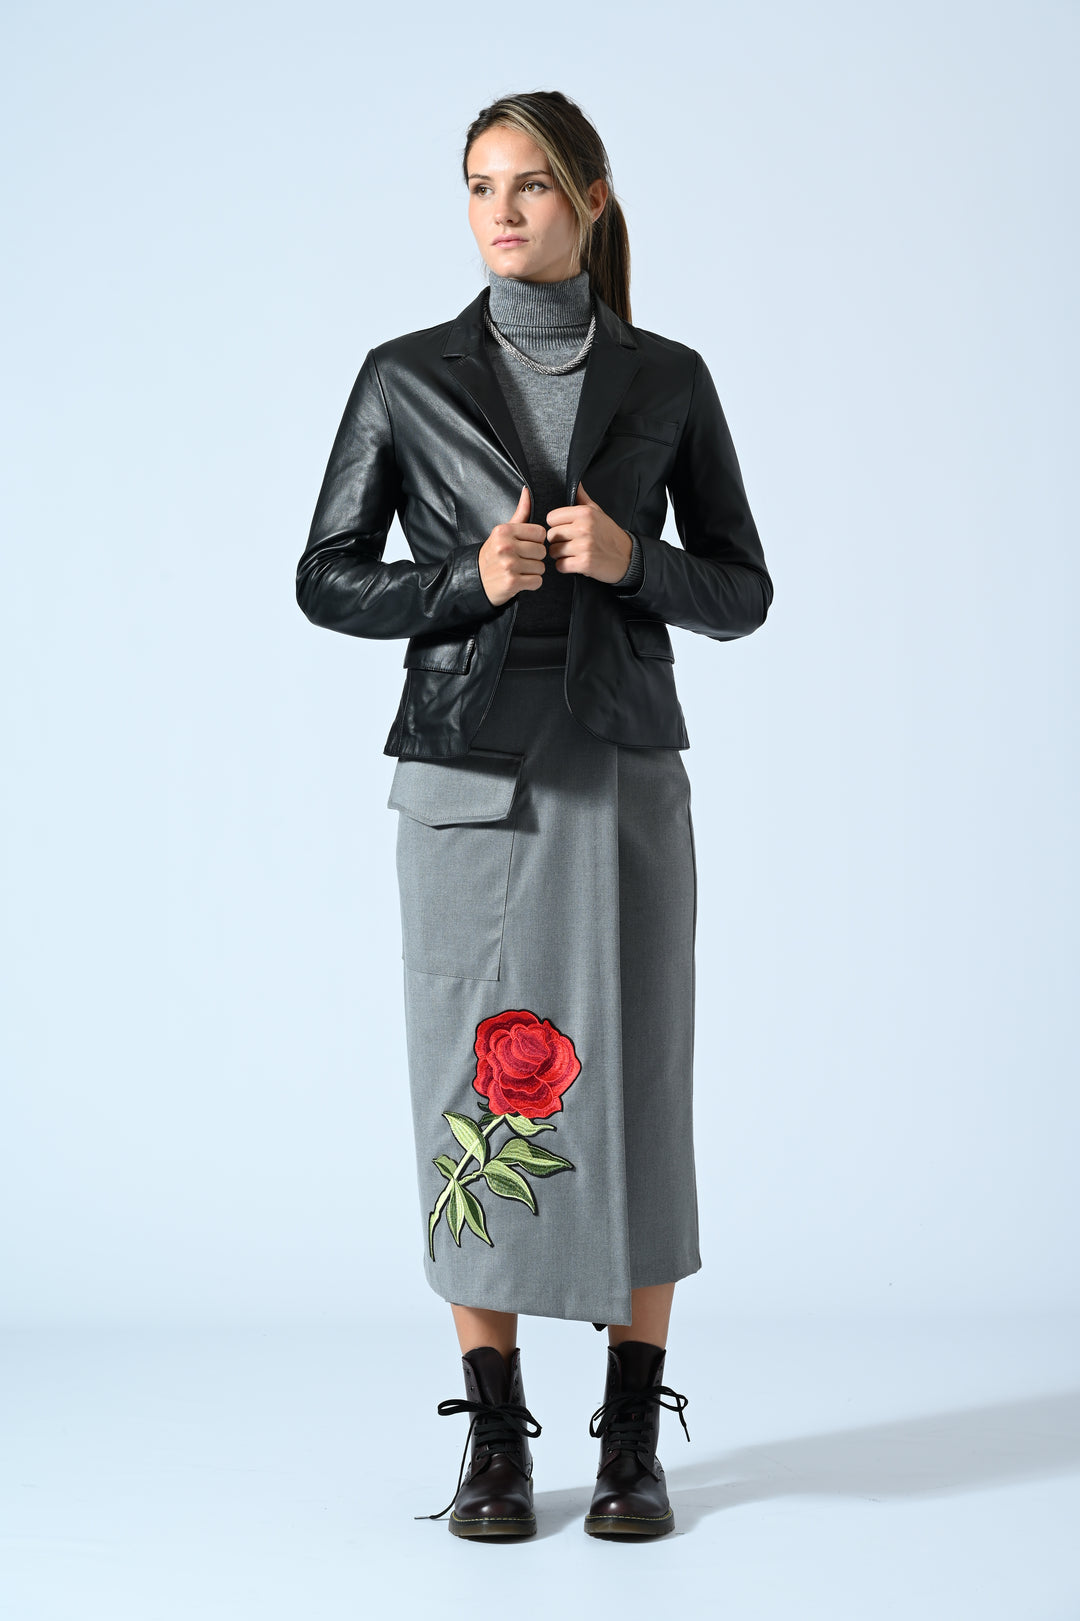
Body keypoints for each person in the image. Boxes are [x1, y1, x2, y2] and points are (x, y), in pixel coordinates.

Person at [296, 89, 773, 1541]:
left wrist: (634, 560)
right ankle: (496, 1440)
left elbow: (741, 588)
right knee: (473, 1085)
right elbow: (325, 577)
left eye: (532, 185)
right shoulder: (403, 375)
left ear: (592, 199)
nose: (501, 212)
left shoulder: (668, 378)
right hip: (468, 779)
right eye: (479, 186)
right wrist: (464, 581)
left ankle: (631, 1439)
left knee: (637, 1076)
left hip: (623, 768)